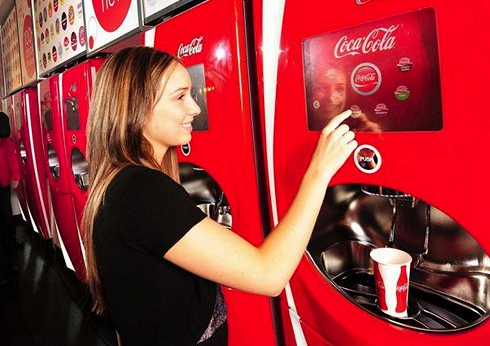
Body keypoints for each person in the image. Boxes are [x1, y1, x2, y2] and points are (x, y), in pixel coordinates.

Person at [82, 46, 357, 346]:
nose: (195, 108)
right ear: (136, 106)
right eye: (180, 97)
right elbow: (269, 274)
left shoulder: (122, 184)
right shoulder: (142, 190)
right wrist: (319, 171)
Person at [0, 111, 20, 285]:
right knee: (5, 218)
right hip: (3, 182)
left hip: (3, 182)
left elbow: (9, 149)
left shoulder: (2, 122)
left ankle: (10, 250)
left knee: (6, 219)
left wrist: (15, 174)